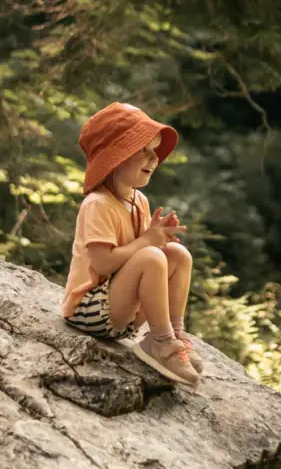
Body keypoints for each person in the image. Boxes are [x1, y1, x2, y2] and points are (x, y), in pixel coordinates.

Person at [62, 102, 203, 385]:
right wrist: (148, 242)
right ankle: (160, 343)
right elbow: (103, 263)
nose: (153, 159)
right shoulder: (98, 204)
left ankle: (172, 334)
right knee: (151, 256)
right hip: (90, 310)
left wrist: (158, 236)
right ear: (114, 157)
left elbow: (142, 252)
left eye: (156, 152)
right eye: (143, 150)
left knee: (178, 254)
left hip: (121, 310)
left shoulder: (139, 201)